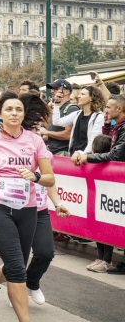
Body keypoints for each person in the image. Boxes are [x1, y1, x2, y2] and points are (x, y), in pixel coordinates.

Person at [0, 91, 65, 322]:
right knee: (16, 266)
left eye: (18, 110)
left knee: (17, 265)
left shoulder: (34, 141)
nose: (14, 113)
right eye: (9, 109)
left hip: (27, 209)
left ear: (24, 114)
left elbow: (49, 178)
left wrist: (34, 177)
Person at [73, 96, 125, 272]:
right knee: (103, 218)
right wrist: (106, 126)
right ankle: (103, 258)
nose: (105, 110)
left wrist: (88, 157)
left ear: (119, 109)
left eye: (109, 107)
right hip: (114, 181)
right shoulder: (117, 126)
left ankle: (107, 260)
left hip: (119, 181)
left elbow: (114, 155)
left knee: (112, 220)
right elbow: (108, 145)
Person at [51, 85, 105, 154]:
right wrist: (56, 104)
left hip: (87, 156)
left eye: (82, 94)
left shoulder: (99, 117)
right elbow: (57, 122)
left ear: (91, 98)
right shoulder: (77, 114)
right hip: (73, 155)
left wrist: (83, 155)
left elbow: (93, 141)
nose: (79, 96)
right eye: (79, 94)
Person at [40, 80, 78, 157]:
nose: (52, 91)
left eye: (56, 89)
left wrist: (47, 132)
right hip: (51, 152)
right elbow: (52, 128)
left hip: (62, 153)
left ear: (66, 91)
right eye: (52, 89)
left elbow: (68, 135)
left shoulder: (71, 108)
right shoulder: (57, 109)